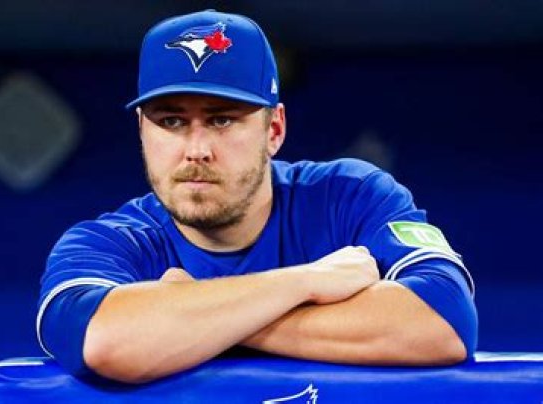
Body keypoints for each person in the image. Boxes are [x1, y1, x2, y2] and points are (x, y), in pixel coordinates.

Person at [36, 9, 477, 384]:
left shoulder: (349, 197)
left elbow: (446, 321)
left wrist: (193, 314)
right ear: (142, 132)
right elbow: (104, 342)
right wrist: (306, 282)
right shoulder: (110, 242)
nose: (196, 149)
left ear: (274, 130)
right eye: (171, 122)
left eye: (222, 120)